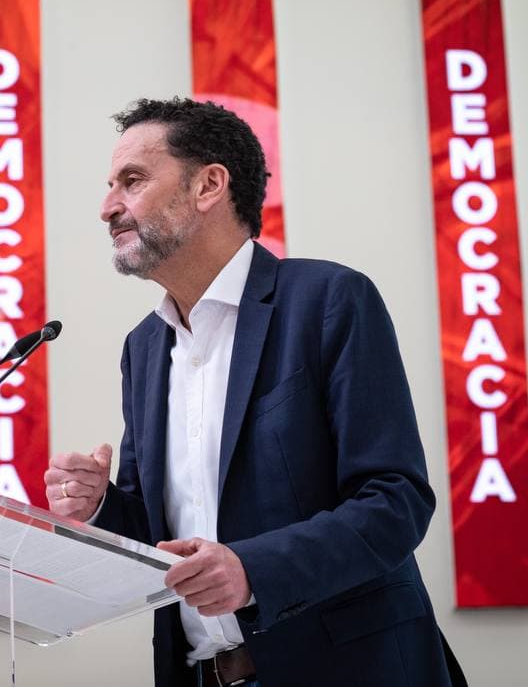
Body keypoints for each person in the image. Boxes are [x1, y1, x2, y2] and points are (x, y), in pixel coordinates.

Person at [45, 98, 465, 687]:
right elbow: (158, 534)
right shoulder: (143, 348)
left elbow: (395, 501)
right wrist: (100, 505)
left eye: (132, 181)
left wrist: (253, 571)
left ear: (208, 186)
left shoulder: (329, 301)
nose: (108, 207)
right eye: (111, 186)